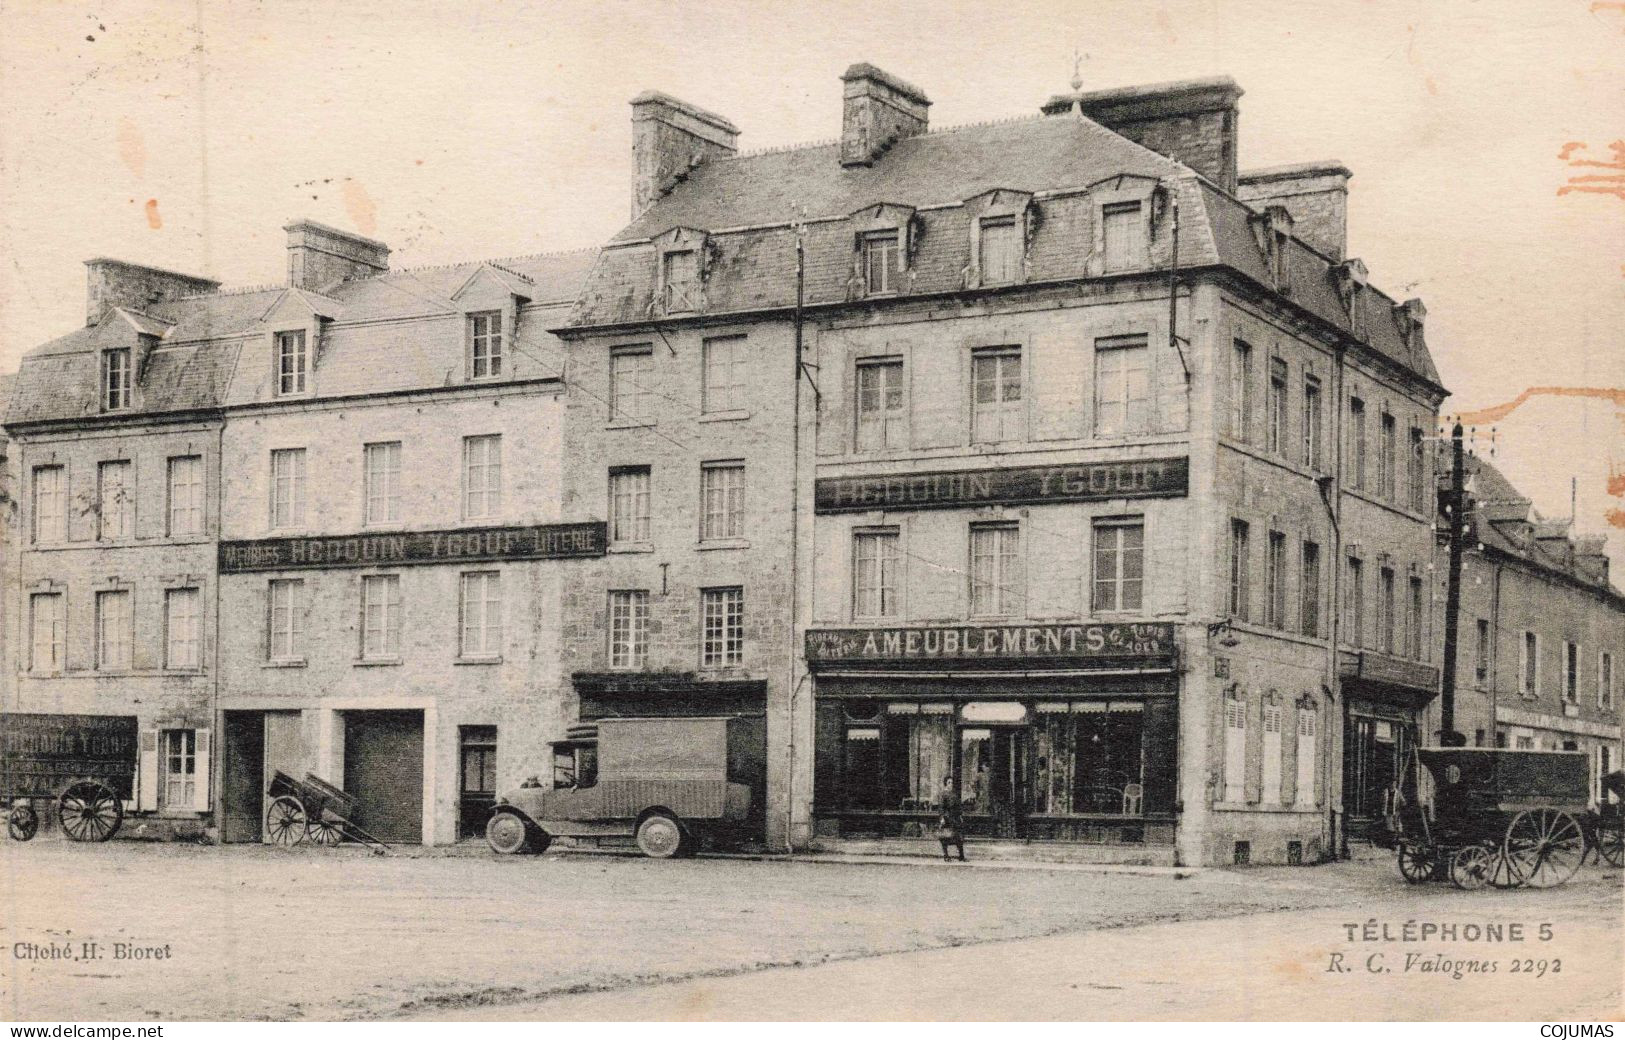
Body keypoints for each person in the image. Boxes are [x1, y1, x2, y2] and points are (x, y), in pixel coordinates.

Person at [935, 776, 966, 862]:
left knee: (959, 837)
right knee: (946, 837)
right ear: (945, 784)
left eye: (952, 782)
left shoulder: (954, 793)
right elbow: (941, 807)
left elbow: (958, 806)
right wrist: (942, 818)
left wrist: (960, 816)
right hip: (947, 818)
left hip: (955, 818)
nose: (951, 784)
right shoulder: (943, 794)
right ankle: (946, 855)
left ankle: (961, 856)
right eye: (949, 782)